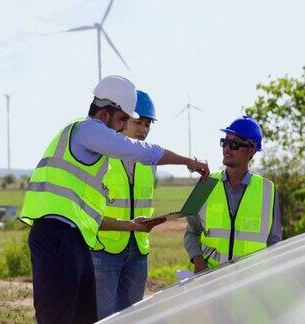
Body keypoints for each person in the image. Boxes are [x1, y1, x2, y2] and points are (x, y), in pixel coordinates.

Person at [21, 75, 210, 324]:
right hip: (57, 235)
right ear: (103, 115)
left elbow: (93, 216)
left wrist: (133, 225)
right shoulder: (87, 130)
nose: (124, 127)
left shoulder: (95, 156)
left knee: (85, 318)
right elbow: (141, 150)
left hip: (76, 240)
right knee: (58, 318)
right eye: (123, 119)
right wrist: (188, 161)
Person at [183, 116, 281, 274]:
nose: (226, 148)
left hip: (251, 283)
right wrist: (198, 261)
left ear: (251, 151)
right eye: (225, 142)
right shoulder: (204, 184)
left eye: (234, 144)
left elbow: (274, 241)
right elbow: (191, 232)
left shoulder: (268, 189)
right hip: (211, 279)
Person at [92, 90, 158, 320]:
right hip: (104, 250)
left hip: (138, 251)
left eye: (148, 124)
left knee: (133, 317)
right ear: (122, 120)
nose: (143, 129)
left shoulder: (150, 162)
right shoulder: (102, 156)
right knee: (103, 317)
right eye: (138, 122)